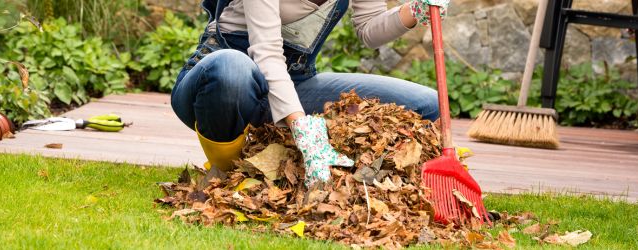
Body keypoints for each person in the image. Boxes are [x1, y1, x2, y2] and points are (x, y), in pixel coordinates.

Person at [171, 0, 449, 188]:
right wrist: (302, 126)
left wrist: (417, 8)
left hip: (293, 80)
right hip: (219, 87)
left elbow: (370, 29)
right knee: (231, 67)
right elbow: (266, 52)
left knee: (425, 103)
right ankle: (225, 172)